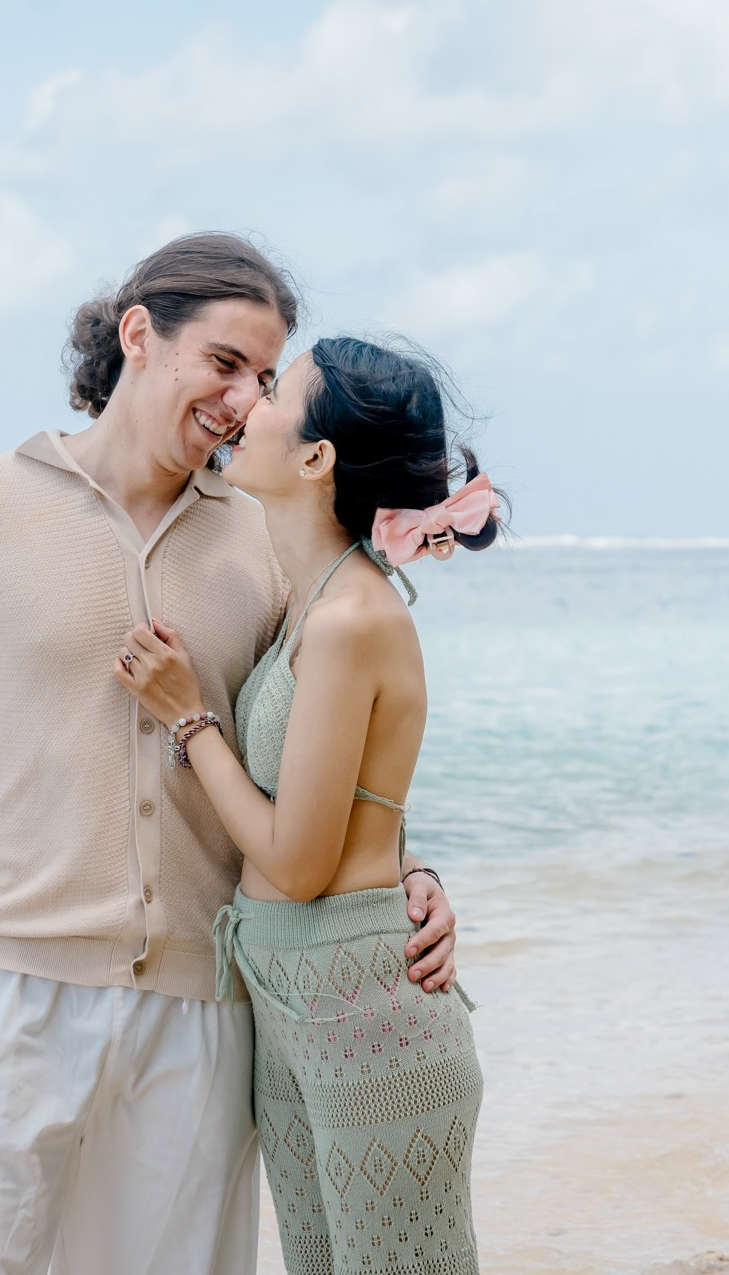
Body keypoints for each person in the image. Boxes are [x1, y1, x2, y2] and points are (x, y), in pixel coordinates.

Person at [0, 236, 461, 1275]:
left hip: (203, 1008)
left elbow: (319, 744)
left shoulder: (272, 537)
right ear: (139, 335)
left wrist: (406, 873)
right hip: (3, 990)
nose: (242, 399)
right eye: (224, 363)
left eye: (267, 379)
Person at [115, 336, 495, 1275]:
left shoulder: (352, 616)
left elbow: (297, 861)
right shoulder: (309, 599)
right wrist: (417, 866)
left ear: (318, 456)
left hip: (365, 1009)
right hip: (291, 1002)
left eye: (277, 388)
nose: (251, 400)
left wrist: (188, 716)